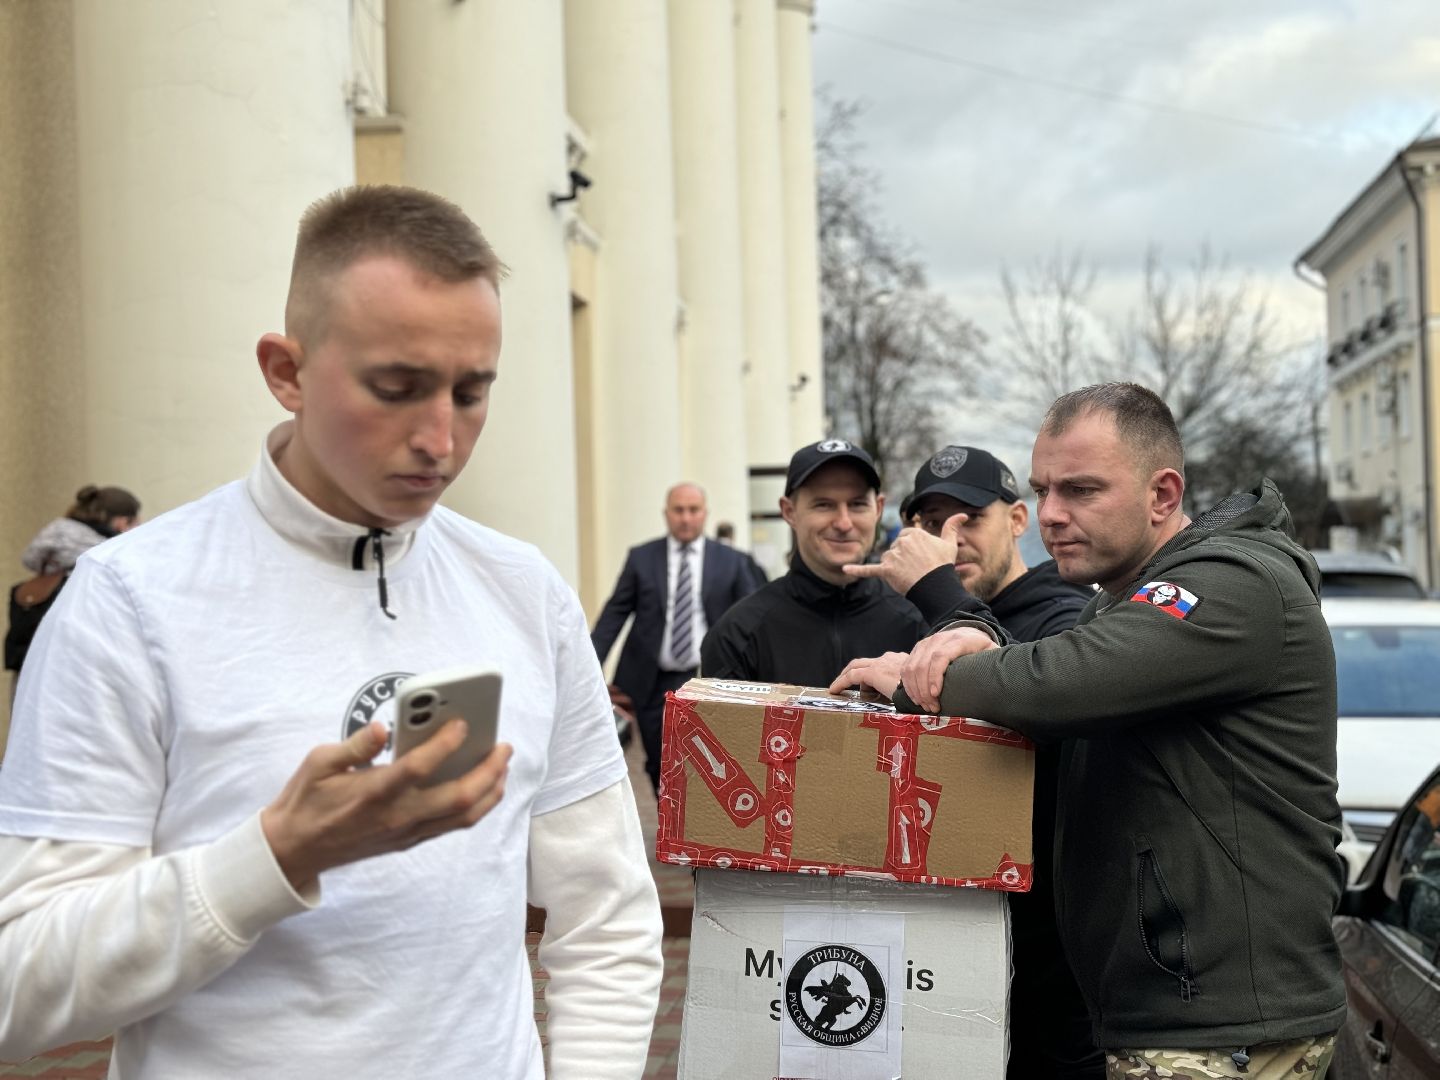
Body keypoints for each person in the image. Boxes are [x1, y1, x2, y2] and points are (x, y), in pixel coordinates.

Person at [0, 185, 662, 1078]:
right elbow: (21, 987)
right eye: (397, 388)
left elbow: (606, 916)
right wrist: (274, 857)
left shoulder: (523, 593)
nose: (441, 438)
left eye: (472, 393)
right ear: (286, 370)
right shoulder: (129, 601)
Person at [834, 384, 1346, 1079]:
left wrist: (921, 678)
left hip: (1223, 1025)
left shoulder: (1231, 582)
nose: (1050, 515)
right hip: (1175, 1015)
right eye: (1044, 489)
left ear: (1163, 495)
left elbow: (1057, 682)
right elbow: (1042, 687)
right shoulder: (1122, 598)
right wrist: (960, 660)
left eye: (1080, 490)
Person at [844, 444, 1100, 1080]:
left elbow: (1028, 704)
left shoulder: (1066, 611)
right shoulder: (938, 620)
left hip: (1054, 959)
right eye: (932, 524)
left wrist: (934, 597)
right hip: (966, 941)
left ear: (1017, 520)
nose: (949, 539)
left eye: (968, 519)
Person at [701, 439, 934, 687]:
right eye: (824, 505)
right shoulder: (738, 635)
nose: (844, 523)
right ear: (789, 511)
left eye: (857, 504)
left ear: (878, 509)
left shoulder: (918, 627)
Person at [591, 483, 763, 794]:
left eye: (693, 510)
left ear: (705, 514)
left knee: (708, 762)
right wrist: (589, 663)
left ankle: (696, 828)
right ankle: (669, 826)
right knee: (659, 761)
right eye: (678, 510)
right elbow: (615, 613)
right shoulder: (641, 558)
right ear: (666, 514)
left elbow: (752, 620)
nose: (686, 518)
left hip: (706, 678)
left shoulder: (732, 561)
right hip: (650, 679)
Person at [6, 485, 141, 697]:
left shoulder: (51, 550)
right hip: (76, 672)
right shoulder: (109, 558)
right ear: (122, 523)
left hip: (27, 668)